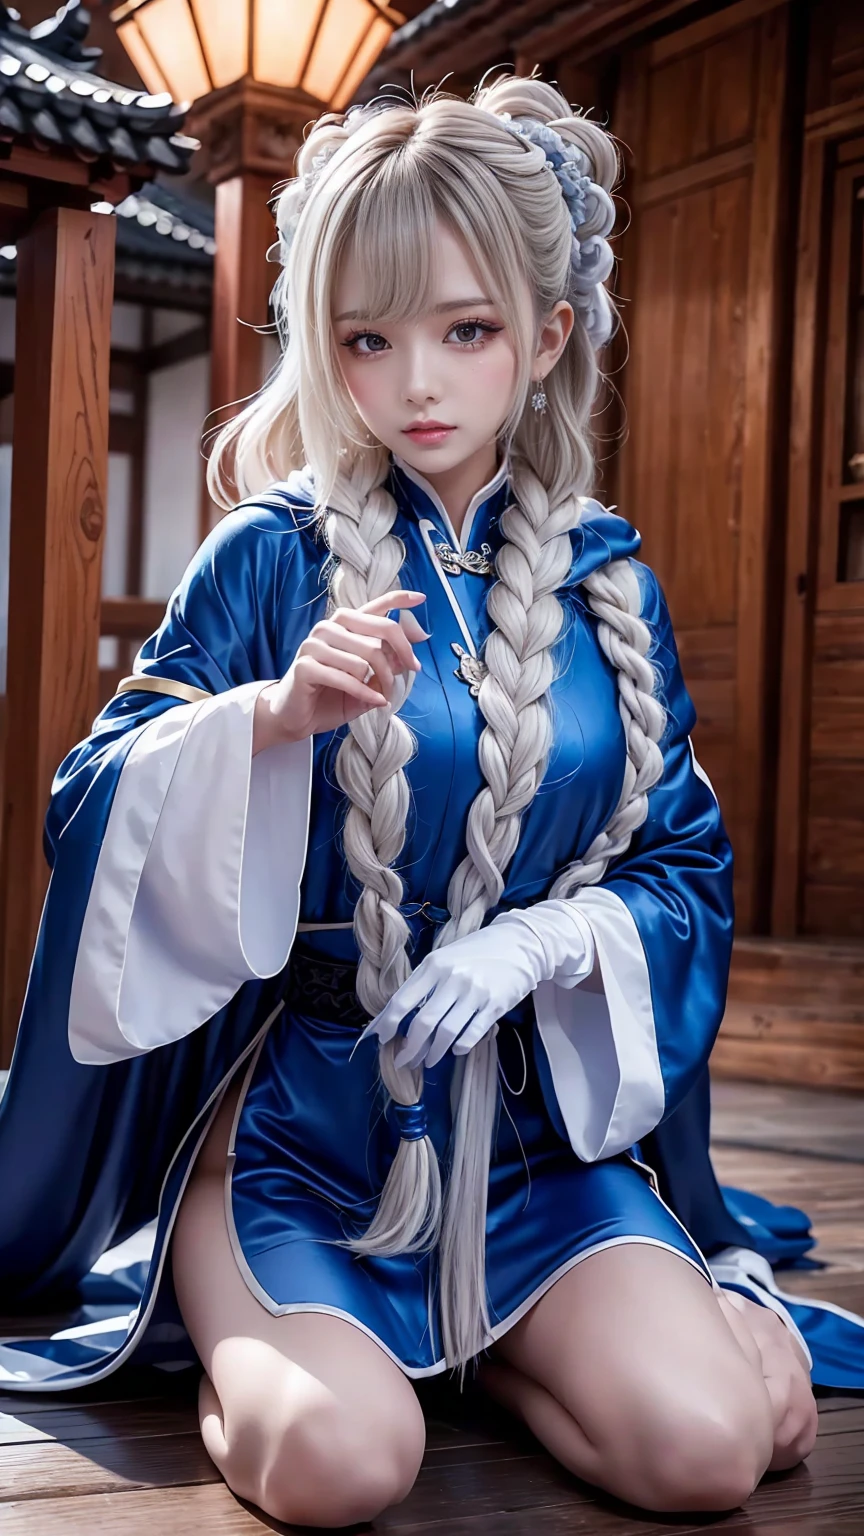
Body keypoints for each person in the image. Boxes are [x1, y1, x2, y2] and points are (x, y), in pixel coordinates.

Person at [3, 71, 860, 1527]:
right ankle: (256, 1323)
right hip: (296, 1139)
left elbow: (680, 867)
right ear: (323, 347)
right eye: (367, 338)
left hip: (530, 1136)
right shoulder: (267, 557)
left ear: (548, 336)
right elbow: (93, 804)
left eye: (466, 331)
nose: (416, 383)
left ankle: (488, 1344)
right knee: (341, 1469)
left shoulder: (611, 589)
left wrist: (538, 944)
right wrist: (267, 723)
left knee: (712, 1453)